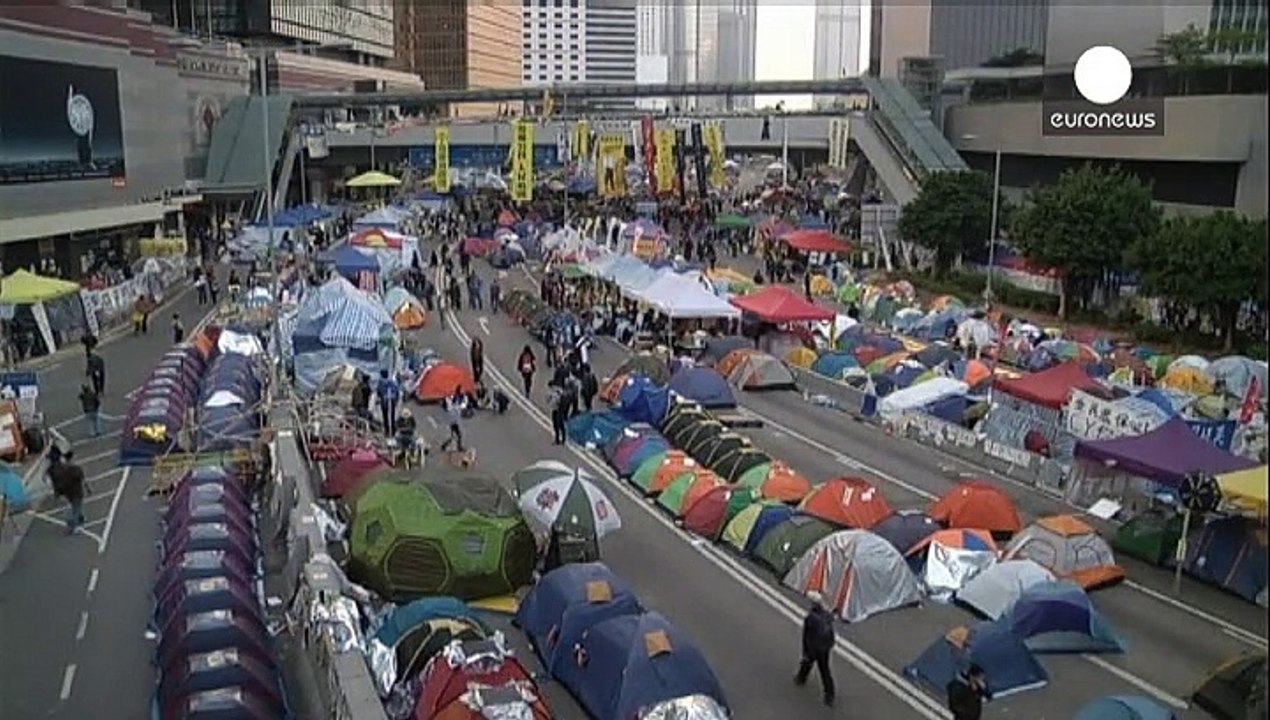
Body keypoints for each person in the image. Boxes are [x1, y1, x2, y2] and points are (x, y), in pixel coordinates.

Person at [794, 591, 836, 706]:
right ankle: (829, 694)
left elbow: (806, 636)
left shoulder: (810, 618)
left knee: (807, 661)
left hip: (814, 646)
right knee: (825, 671)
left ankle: (801, 678)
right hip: (824, 648)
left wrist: (805, 650)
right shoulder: (827, 616)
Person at [49, 450, 86, 535]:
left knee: (74, 506)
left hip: (67, 491)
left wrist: (58, 492)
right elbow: (83, 480)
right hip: (77, 491)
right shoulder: (76, 468)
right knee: (76, 507)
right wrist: (88, 488)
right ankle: (72, 525)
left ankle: (80, 518)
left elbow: (55, 481)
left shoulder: (58, 469)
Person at [439, 387, 467, 453]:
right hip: (453, 422)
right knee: (456, 435)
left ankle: (446, 446)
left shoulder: (452, 404)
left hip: (453, 421)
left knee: (456, 435)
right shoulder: (454, 406)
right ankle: (447, 446)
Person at [377, 369, 400, 437]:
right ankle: (393, 431)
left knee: (385, 417)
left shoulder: (380, 382)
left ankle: (387, 431)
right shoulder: (393, 382)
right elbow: (397, 392)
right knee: (392, 416)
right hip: (392, 401)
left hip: (384, 402)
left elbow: (379, 392)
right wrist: (395, 400)